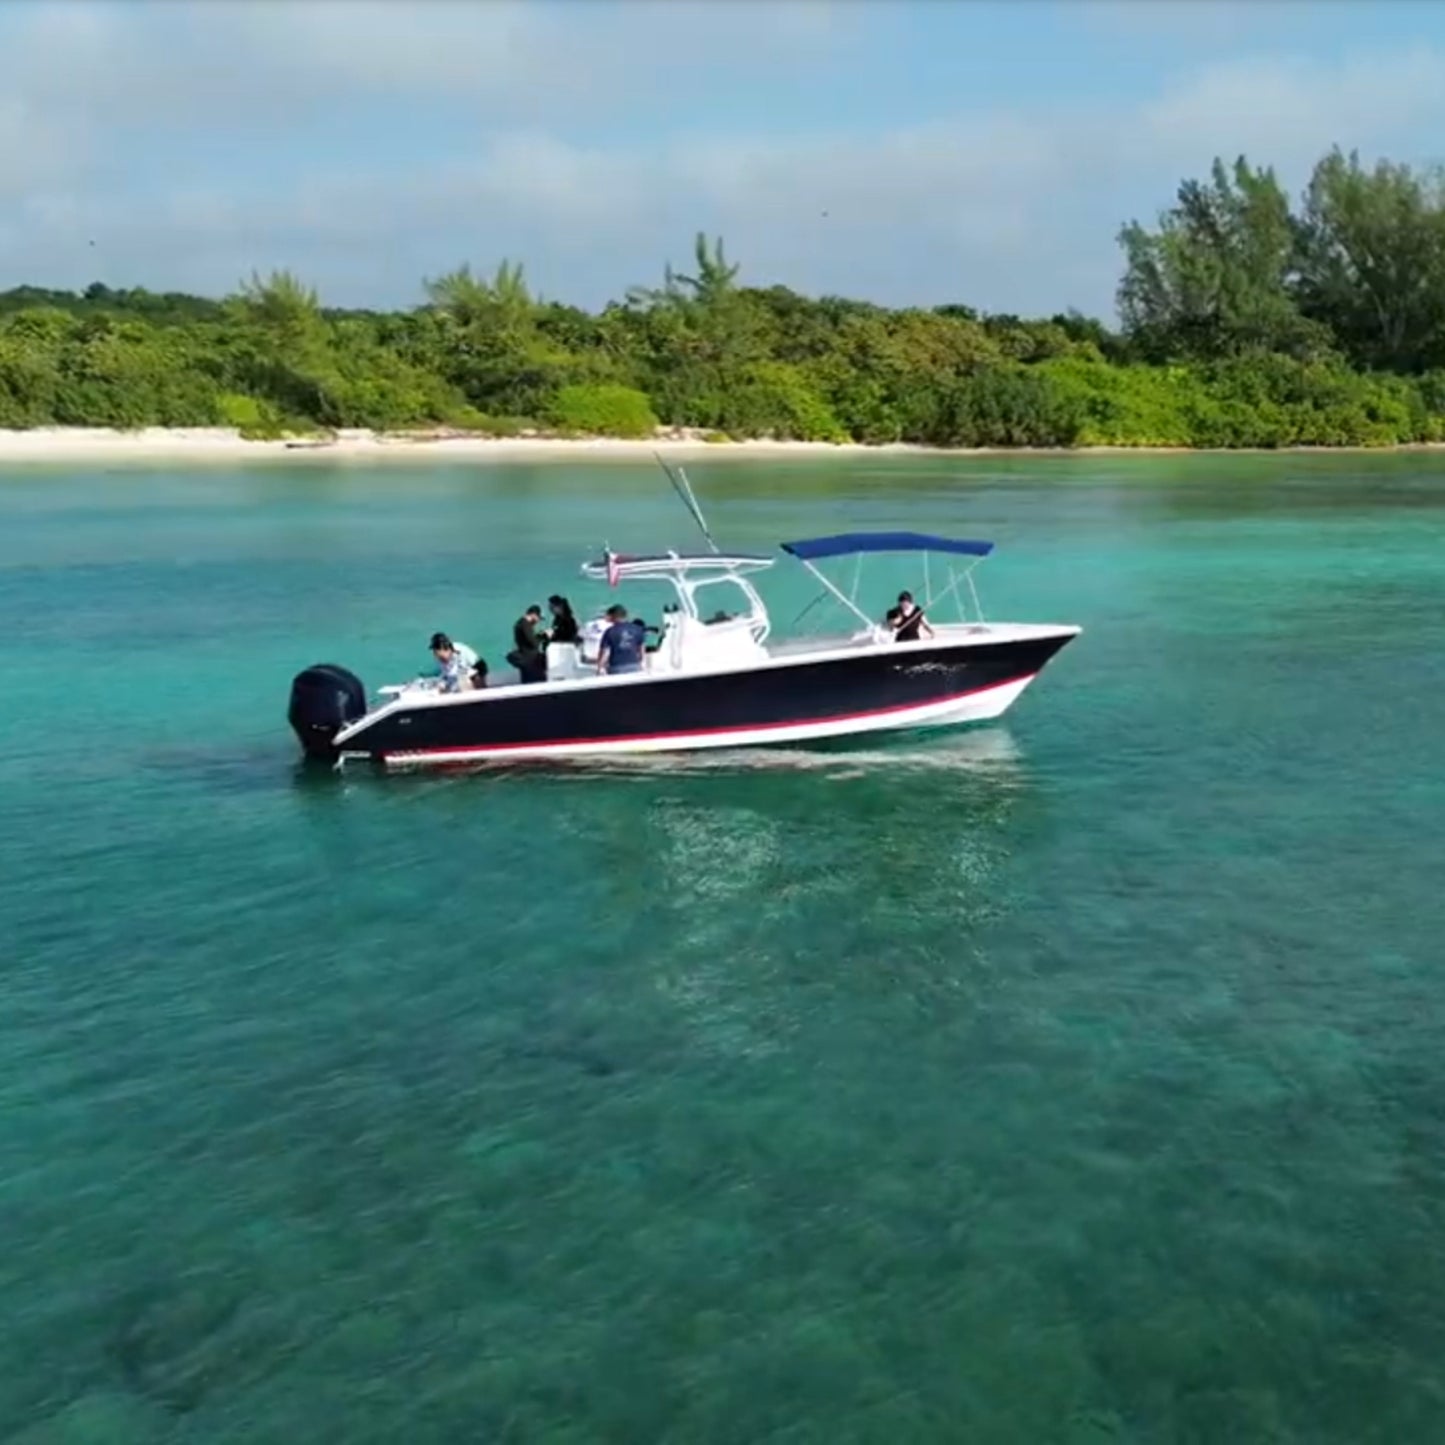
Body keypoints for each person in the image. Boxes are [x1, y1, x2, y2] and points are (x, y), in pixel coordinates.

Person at [597, 603, 647, 675]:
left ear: (614, 616)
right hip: (634, 666)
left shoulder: (610, 631)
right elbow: (641, 649)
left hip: (616, 667)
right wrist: (642, 662)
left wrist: (600, 667)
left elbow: (603, 652)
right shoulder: (637, 629)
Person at [507, 604, 547, 684]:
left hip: (527, 659)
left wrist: (539, 635)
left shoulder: (520, 624)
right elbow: (533, 643)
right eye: (538, 618)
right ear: (533, 615)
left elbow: (528, 640)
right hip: (531, 661)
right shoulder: (525, 625)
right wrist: (544, 636)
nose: (538, 621)